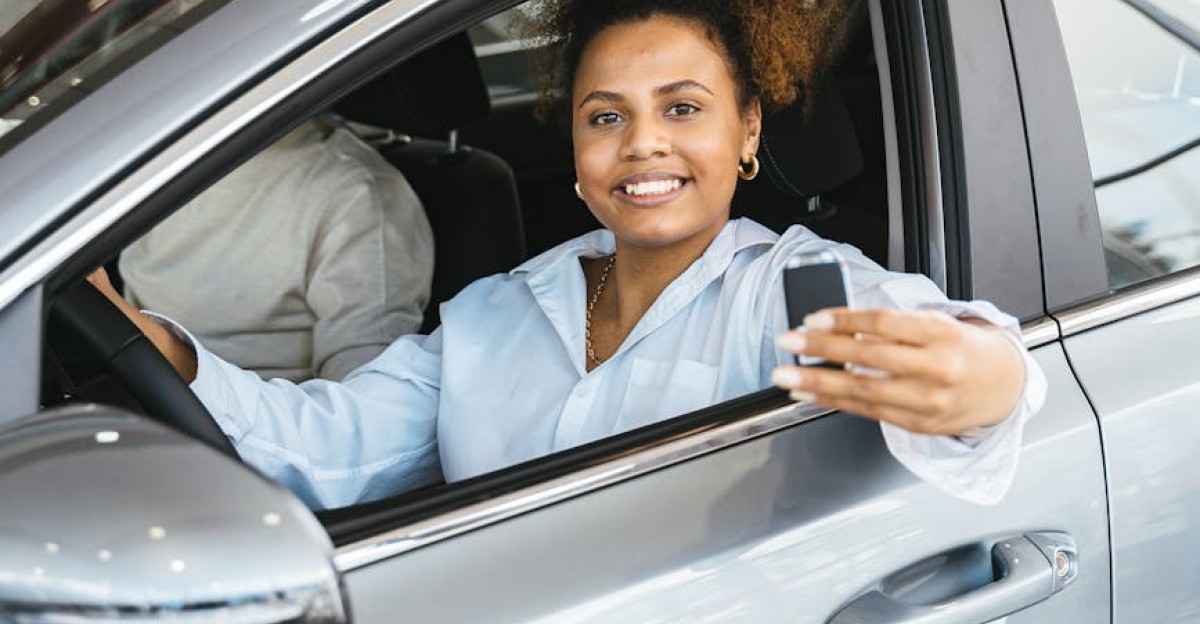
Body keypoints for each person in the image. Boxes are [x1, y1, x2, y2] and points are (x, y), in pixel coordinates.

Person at [89, 0, 1044, 510]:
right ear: (576, 154)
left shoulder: (781, 290)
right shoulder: (493, 313)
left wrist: (980, 376)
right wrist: (127, 332)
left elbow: (961, 347)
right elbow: (323, 449)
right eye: (606, 118)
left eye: (684, 109)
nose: (643, 145)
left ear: (748, 131)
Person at [119, 117, 434, 382]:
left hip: (234, 435)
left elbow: (360, 399)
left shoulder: (358, 194)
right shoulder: (153, 158)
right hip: (136, 382)